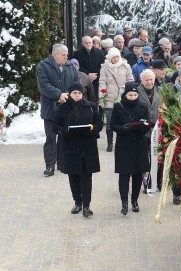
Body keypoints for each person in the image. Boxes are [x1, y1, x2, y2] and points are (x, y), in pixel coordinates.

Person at [53, 82, 102, 217]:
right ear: (69, 94)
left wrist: (92, 128)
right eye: (74, 93)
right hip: (70, 146)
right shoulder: (62, 108)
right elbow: (55, 126)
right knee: (73, 176)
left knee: (87, 176)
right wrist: (65, 131)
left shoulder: (90, 107)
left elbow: (99, 124)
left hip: (87, 146)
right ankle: (77, 202)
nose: (77, 95)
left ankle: (87, 206)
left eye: (79, 93)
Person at [36, 43, 79, 176]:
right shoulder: (43, 66)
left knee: (64, 136)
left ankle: (62, 163)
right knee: (51, 137)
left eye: (67, 55)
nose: (66, 57)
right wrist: (58, 95)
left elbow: (76, 83)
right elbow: (43, 85)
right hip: (50, 108)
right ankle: (50, 165)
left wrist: (67, 95)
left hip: (66, 107)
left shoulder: (70, 67)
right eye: (63, 55)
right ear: (55, 55)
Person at [111, 82, 152, 215]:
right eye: (130, 95)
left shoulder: (143, 106)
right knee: (124, 174)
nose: (133, 97)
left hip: (139, 143)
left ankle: (134, 201)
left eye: (135, 95)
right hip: (124, 144)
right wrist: (122, 129)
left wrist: (143, 127)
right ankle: (124, 202)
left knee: (137, 174)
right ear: (125, 95)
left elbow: (146, 123)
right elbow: (113, 124)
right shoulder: (118, 106)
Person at [99, 47, 134, 152]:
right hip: (109, 97)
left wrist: (124, 90)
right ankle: (110, 143)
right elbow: (102, 81)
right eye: (113, 57)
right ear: (110, 58)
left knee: (123, 121)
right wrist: (102, 95)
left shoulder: (126, 66)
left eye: (117, 56)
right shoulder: (105, 67)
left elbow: (130, 80)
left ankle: (123, 141)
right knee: (109, 122)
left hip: (122, 97)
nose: (116, 59)